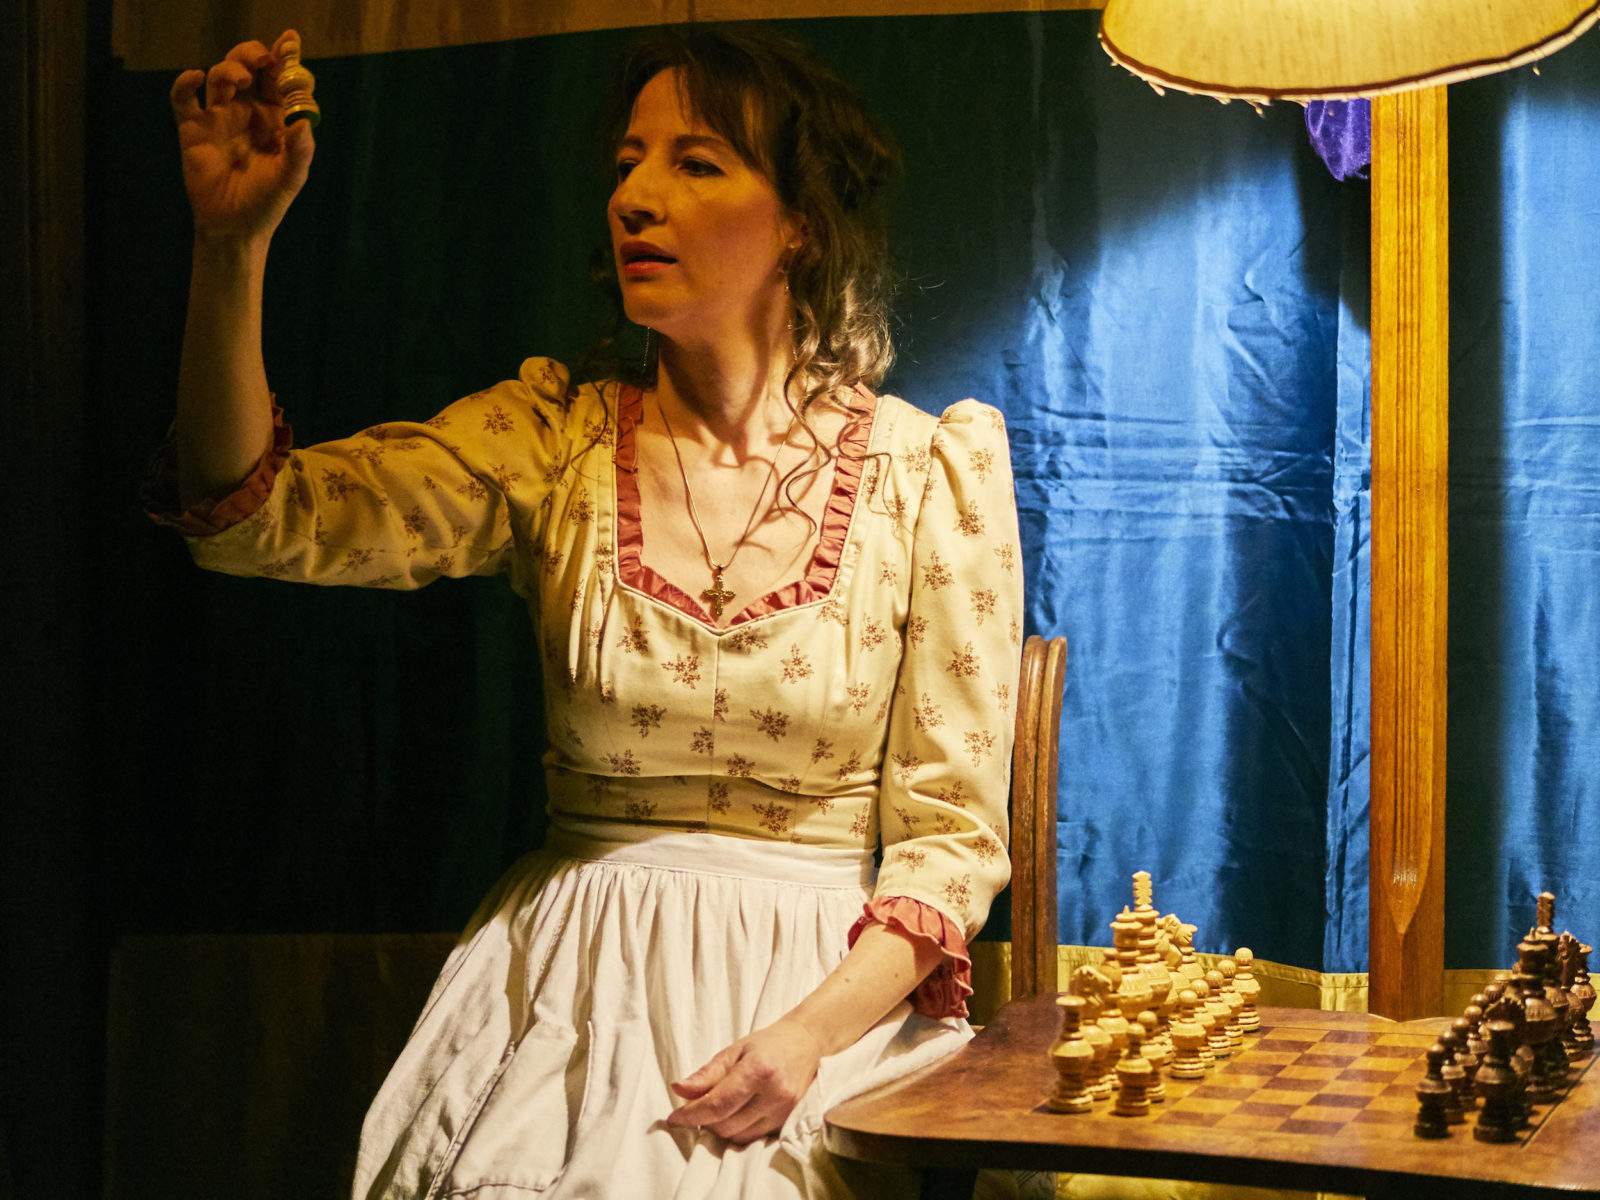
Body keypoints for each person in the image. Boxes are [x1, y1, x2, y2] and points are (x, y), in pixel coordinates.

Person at [157, 23, 1023, 1199]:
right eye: (626, 163)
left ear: (802, 223)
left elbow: (949, 842)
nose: (635, 197)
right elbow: (256, 516)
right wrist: (233, 247)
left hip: (824, 991)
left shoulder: (925, 474)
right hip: (578, 986)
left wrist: (805, 1039)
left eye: (695, 162)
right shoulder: (550, 443)